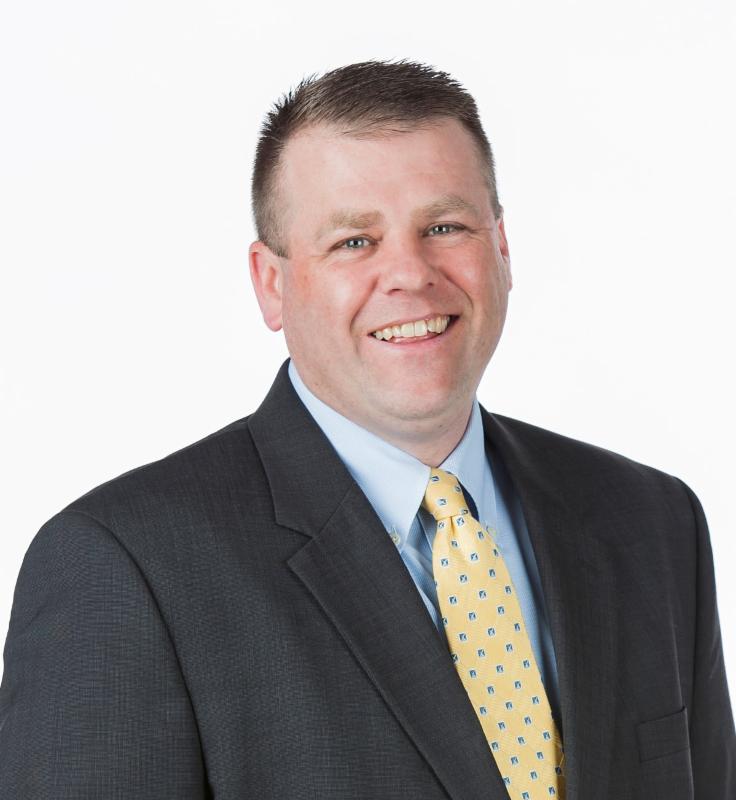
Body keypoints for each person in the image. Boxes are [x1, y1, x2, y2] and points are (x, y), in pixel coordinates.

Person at [0, 60, 733, 800]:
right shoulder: (125, 569)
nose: (410, 274)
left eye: (445, 227)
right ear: (271, 283)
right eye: (354, 241)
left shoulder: (653, 524)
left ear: (503, 250)